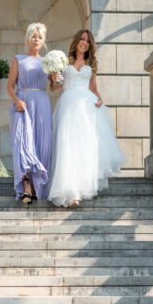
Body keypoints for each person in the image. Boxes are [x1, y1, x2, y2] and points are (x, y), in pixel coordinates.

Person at [47, 29, 124, 208]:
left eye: (88, 41)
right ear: (77, 41)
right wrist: (55, 79)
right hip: (67, 105)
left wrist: (100, 99)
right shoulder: (65, 62)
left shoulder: (91, 64)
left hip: (86, 107)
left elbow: (93, 88)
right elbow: (54, 88)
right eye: (82, 39)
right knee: (67, 146)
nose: (84, 43)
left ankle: (80, 190)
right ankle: (70, 192)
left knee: (84, 148)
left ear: (90, 45)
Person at [7, 23, 60, 203]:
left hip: (42, 104)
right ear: (28, 38)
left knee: (41, 145)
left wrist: (57, 79)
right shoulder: (19, 59)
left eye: (40, 37)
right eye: (33, 36)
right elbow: (9, 86)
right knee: (24, 145)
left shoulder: (47, 61)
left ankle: (38, 187)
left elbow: (53, 88)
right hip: (23, 104)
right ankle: (27, 186)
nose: (36, 39)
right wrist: (17, 101)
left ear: (43, 41)